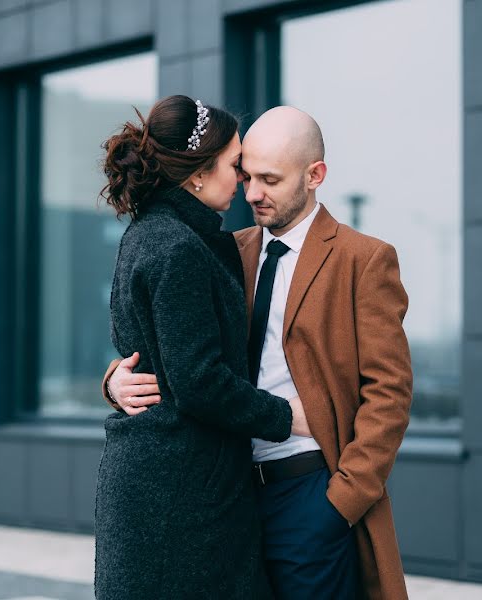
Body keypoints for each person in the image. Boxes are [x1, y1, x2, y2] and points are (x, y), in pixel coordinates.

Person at [103, 106, 413, 599]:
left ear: (315, 176)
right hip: (225, 497)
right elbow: (181, 347)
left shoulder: (364, 260)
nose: (252, 194)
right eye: (246, 176)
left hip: (308, 489)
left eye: (269, 179)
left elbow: (390, 395)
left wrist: (340, 504)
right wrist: (117, 378)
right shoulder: (224, 248)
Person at [94, 95, 312, 599]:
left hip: (163, 484)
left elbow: (151, 355)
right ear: (197, 173)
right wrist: (289, 417)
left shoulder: (151, 236)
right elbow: (198, 381)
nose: (244, 180)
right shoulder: (177, 248)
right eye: (236, 165)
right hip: (182, 498)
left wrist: (112, 380)